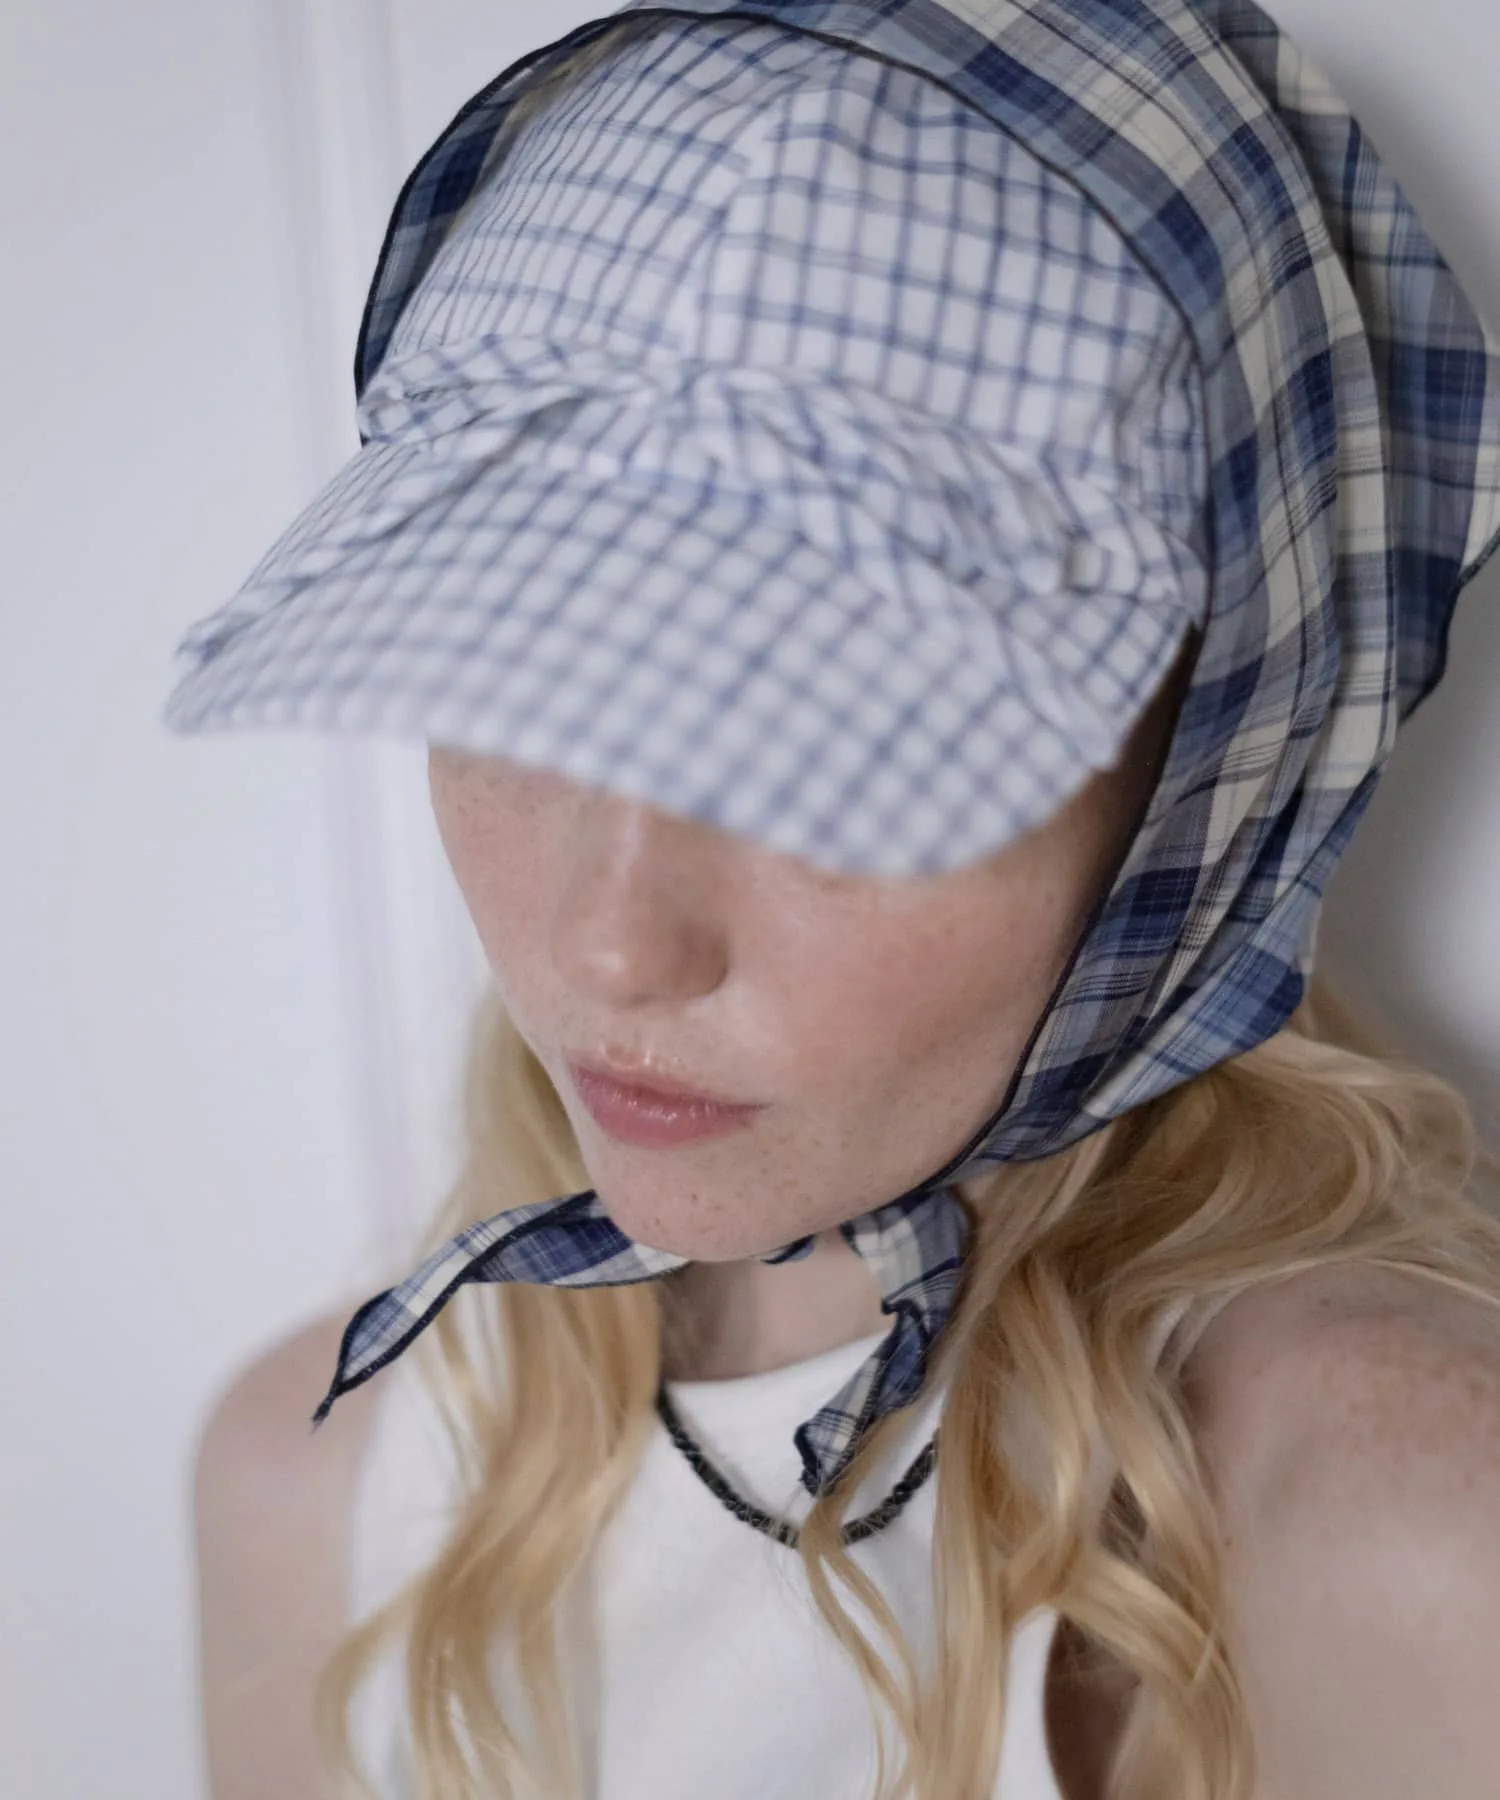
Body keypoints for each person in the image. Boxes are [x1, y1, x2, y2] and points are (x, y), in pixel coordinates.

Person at [172, 4, 1500, 1798]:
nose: (612, 944)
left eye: (830, 743)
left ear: (1204, 773)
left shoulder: (1411, 1521)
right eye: (528, 691)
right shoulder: (316, 1482)